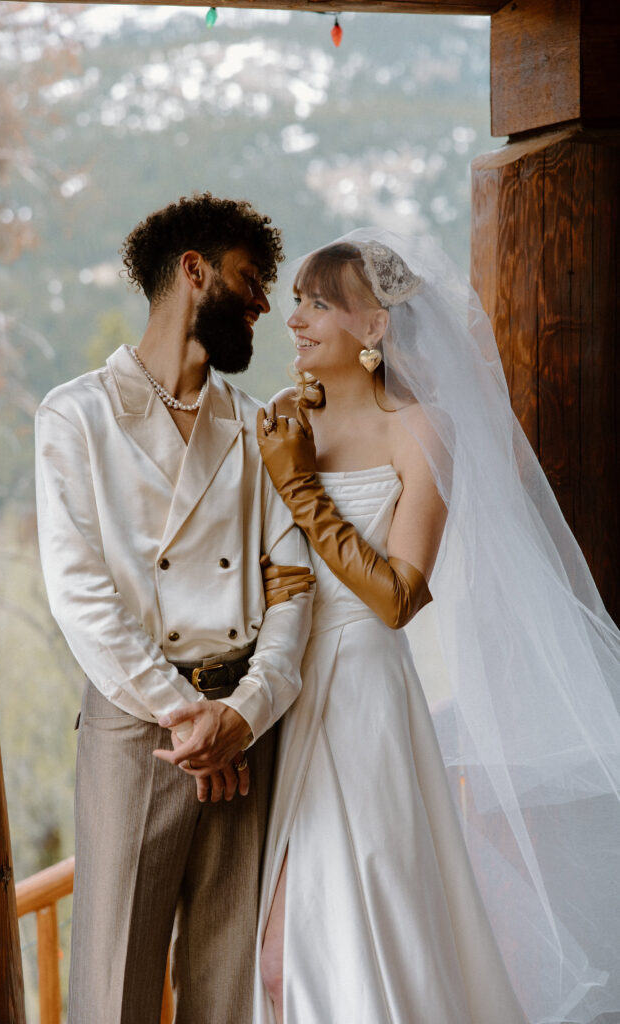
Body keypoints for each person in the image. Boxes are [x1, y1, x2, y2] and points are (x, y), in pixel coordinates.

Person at [253, 230, 620, 1024]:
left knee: (359, 930)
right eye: (296, 302)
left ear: (374, 326)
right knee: (276, 958)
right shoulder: (283, 419)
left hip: (360, 694)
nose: (295, 319)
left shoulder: (420, 429)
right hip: (276, 692)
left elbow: (398, 597)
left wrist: (300, 488)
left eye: (318, 303)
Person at [35, 193, 314, 1024]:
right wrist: (187, 718)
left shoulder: (256, 426)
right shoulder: (77, 415)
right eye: (250, 280)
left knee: (226, 987)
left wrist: (245, 713)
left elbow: (291, 584)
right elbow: (80, 595)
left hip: (244, 731)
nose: (263, 303)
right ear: (193, 271)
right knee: (113, 984)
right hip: (139, 728)